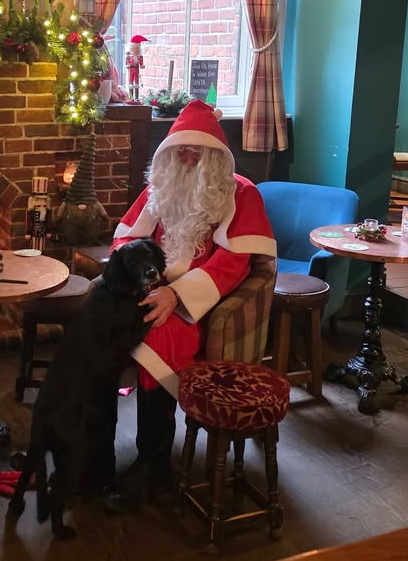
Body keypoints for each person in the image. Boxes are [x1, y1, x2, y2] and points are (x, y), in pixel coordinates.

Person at [103, 100, 277, 513]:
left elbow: (234, 262)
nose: (186, 158)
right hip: (147, 288)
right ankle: (94, 455)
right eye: (180, 150)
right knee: (96, 325)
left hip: (198, 306)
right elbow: (126, 238)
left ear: (216, 155)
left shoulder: (240, 194)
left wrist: (176, 295)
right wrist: (141, 278)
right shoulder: (161, 187)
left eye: (196, 152)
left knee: (157, 336)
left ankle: (152, 464)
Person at [126, 34, 147, 102]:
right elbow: (127, 63)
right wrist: (128, 65)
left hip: (137, 70)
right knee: (131, 83)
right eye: (134, 49)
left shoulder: (140, 57)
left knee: (137, 83)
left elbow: (141, 64)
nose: (135, 51)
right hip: (131, 70)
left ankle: (137, 97)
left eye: (137, 49)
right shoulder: (129, 57)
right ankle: (131, 97)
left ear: (139, 50)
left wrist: (142, 66)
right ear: (131, 49)